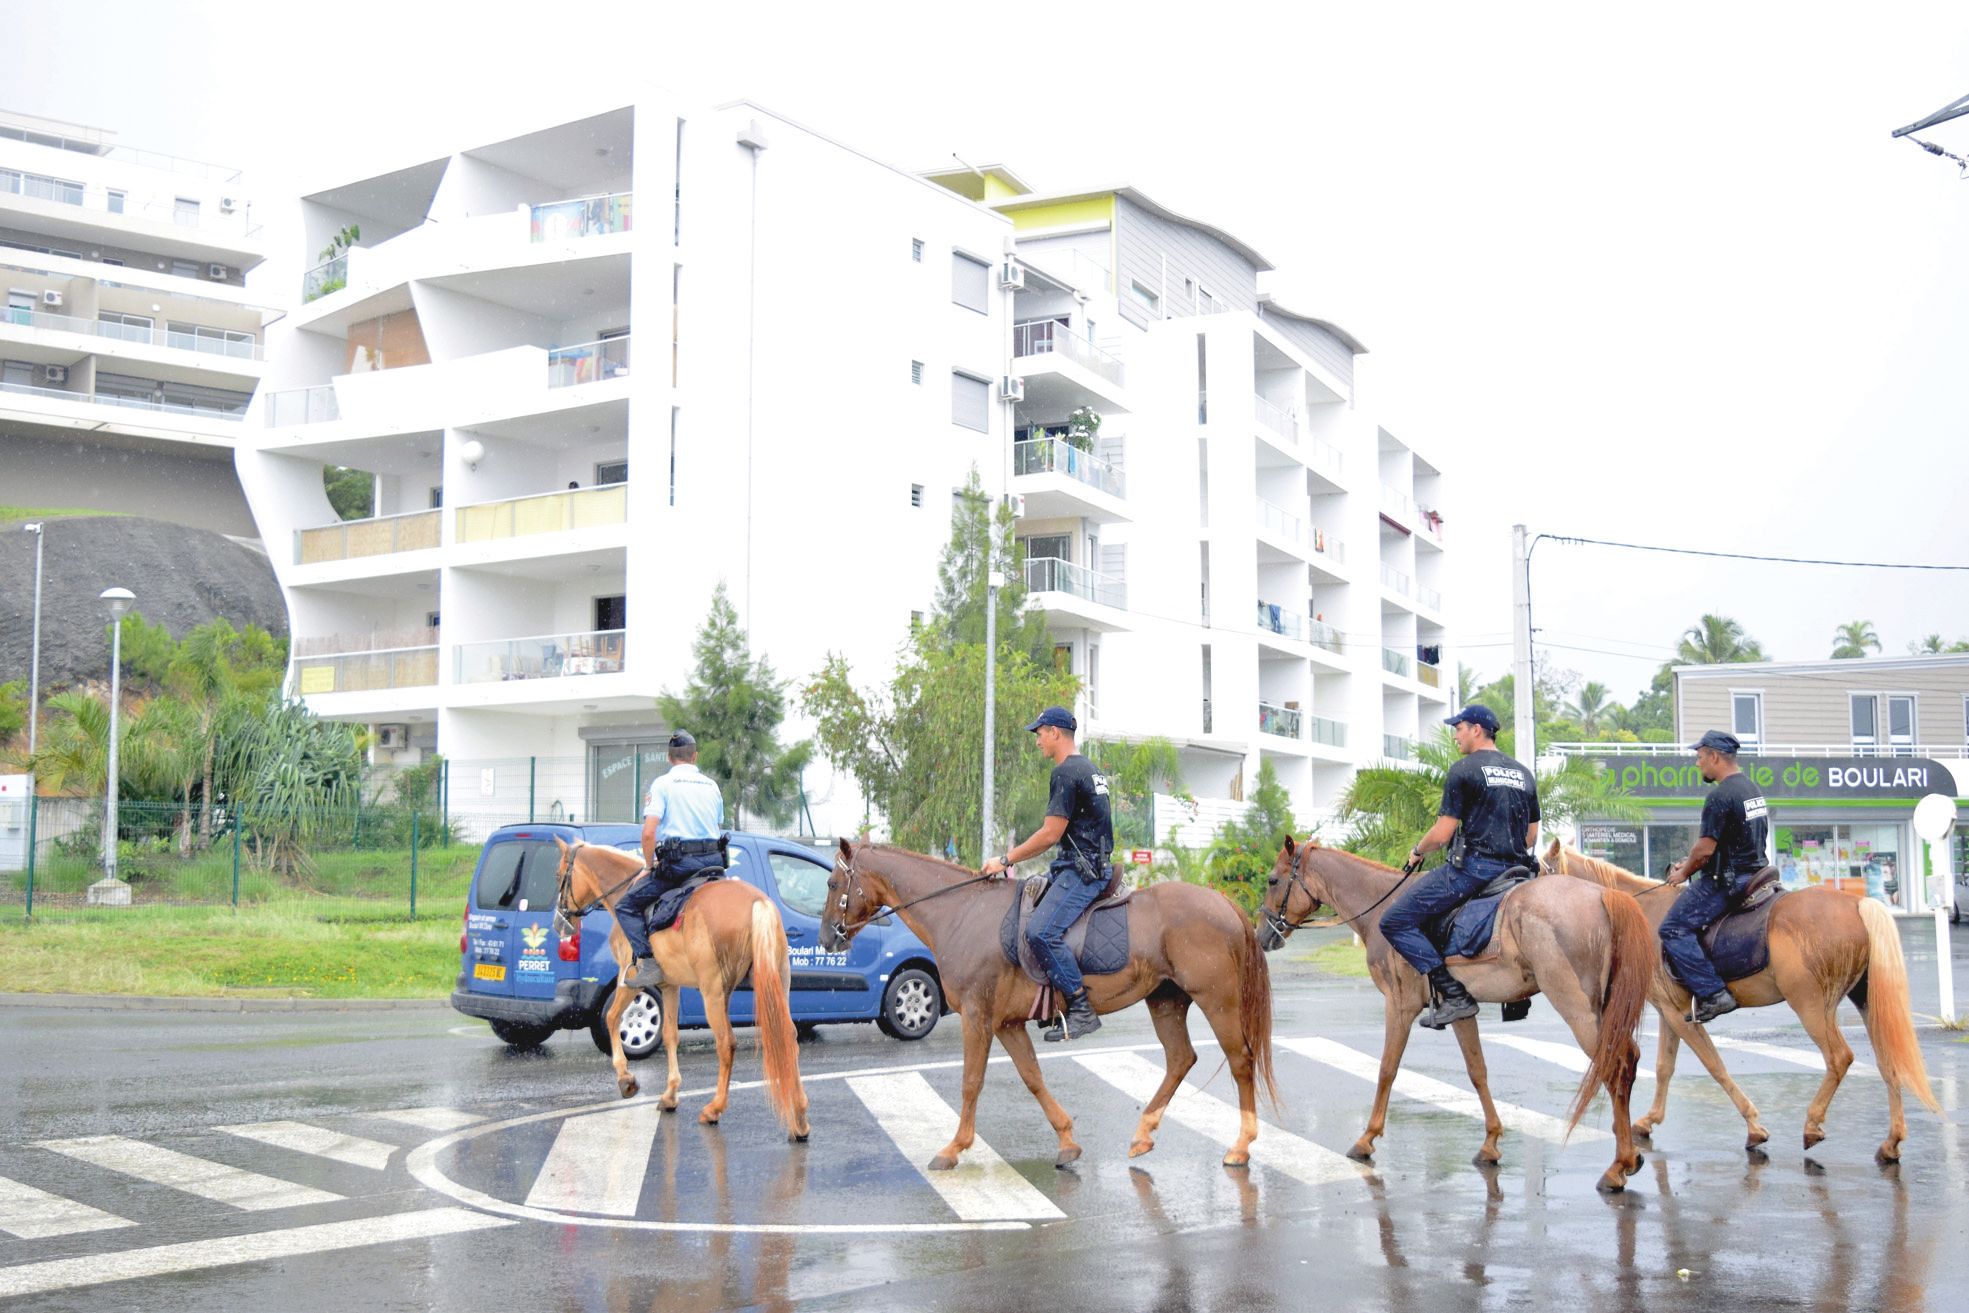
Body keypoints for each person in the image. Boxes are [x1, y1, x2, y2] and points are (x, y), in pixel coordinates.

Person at [1380, 705, 1540, 1030]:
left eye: (1460, 728)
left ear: (1476, 730)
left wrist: (1416, 851)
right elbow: (1531, 835)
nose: (1456, 735)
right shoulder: (1523, 773)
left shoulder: (1464, 770)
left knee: (1394, 921)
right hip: (1519, 871)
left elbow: (1441, 835)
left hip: (1475, 870)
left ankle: (1453, 995)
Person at [981, 706, 1114, 1041]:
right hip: (1087, 864)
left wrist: (1005, 859)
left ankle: (1081, 1008)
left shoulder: (1066, 773)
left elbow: (1050, 834)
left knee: (1040, 932)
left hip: (1083, 872)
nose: (1037, 740)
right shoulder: (1090, 769)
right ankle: (1050, 1003)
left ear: (1055, 732)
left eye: (1039, 733)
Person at [1658, 730, 1770, 1024]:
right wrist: (1692, 861)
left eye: (1700, 757)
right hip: (1758, 873)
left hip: (1730, 882)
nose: (1698, 764)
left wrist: (1683, 872)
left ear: (1714, 756)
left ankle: (1713, 993)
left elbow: (1705, 849)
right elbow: (1731, 842)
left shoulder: (1720, 796)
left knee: (1672, 928)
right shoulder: (1751, 789)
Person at [617, 730, 727, 988]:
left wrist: (647, 866)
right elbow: (716, 824)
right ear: (695, 756)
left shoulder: (662, 784)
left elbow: (648, 833)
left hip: (680, 866)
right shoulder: (712, 785)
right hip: (714, 863)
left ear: (669, 758)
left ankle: (650, 963)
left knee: (626, 906)